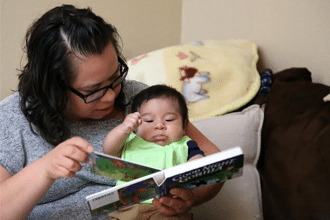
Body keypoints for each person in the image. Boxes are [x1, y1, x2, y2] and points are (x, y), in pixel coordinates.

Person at [0, 4, 222, 220]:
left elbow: (214, 164)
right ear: (53, 88)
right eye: (93, 90)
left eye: (115, 76)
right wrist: (45, 169)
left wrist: (190, 195)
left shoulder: (145, 101)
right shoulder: (13, 118)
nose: (111, 96)